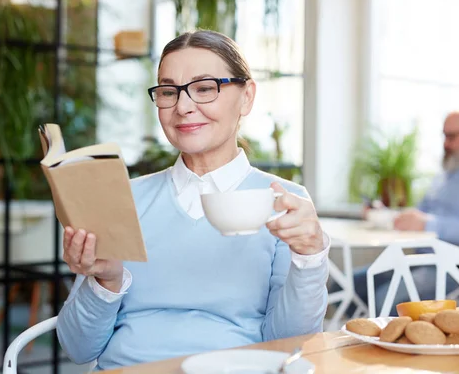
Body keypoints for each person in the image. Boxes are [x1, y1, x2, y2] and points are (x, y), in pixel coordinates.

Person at [55, 30, 330, 370]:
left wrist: (310, 259)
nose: (183, 107)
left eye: (204, 88)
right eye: (169, 91)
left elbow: (291, 344)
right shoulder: (126, 199)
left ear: (246, 97)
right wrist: (105, 281)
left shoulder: (284, 204)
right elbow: (77, 349)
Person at [350, 110, 459, 316]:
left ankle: (386, 342)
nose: (446, 144)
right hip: (420, 261)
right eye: (444, 136)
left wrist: (428, 224)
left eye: (452, 136)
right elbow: (420, 214)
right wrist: (386, 214)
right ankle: (368, 340)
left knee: (385, 300)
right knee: (349, 287)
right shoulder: (444, 177)